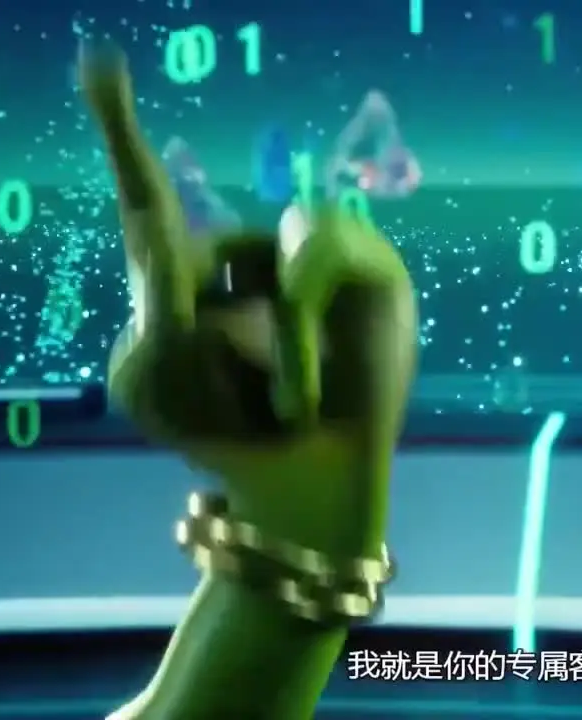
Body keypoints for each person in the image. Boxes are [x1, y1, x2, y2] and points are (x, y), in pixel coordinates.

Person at [76, 41, 418, 719]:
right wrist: (116, 121)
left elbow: (154, 245)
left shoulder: (303, 442)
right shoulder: (304, 436)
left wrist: (115, 118)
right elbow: (156, 254)